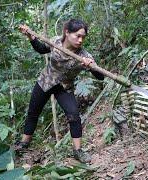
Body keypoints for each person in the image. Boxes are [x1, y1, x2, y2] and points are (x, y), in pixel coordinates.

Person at [15, 19, 104, 163]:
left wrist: (91, 67)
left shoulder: (84, 56)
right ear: (67, 32)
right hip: (45, 81)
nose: (81, 40)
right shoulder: (56, 41)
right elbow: (42, 49)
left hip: (64, 87)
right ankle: (24, 143)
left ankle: (78, 151)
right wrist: (31, 38)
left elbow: (100, 77)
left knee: (74, 115)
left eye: (83, 37)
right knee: (33, 112)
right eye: (78, 36)